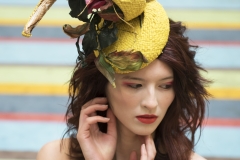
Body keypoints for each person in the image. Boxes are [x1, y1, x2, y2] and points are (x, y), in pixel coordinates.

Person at [23, 0, 210, 159]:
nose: (151, 103)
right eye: (135, 85)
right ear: (103, 84)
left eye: (165, 85)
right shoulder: (54, 155)